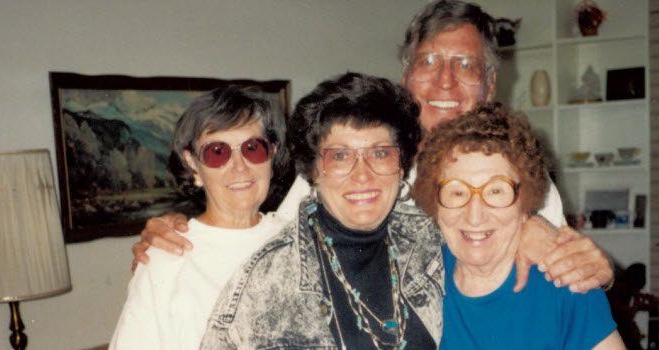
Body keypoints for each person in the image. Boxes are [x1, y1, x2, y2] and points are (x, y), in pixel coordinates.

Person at [134, 0, 612, 294]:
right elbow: (270, 239)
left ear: (489, 83)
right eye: (428, 61)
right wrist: (189, 237)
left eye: (465, 64)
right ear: (407, 77)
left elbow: (569, 270)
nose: (444, 80)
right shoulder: (348, 159)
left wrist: (596, 266)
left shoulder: (523, 173)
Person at [200, 73, 440, 349]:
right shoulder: (265, 282)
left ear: (401, 166)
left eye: (380, 153)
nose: (362, 175)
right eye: (340, 156)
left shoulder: (433, 244)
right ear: (313, 171)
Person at [411, 103, 624, 349]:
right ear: (434, 204)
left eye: (496, 191)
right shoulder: (415, 284)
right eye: (456, 192)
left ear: (525, 204)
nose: (474, 215)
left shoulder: (567, 286)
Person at [109, 87, 289, 349]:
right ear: (192, 163)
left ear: (271, 154)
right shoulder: (165, 258)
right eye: (218, 152)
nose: (239, 166)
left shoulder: (301, 242)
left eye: (252, 148)